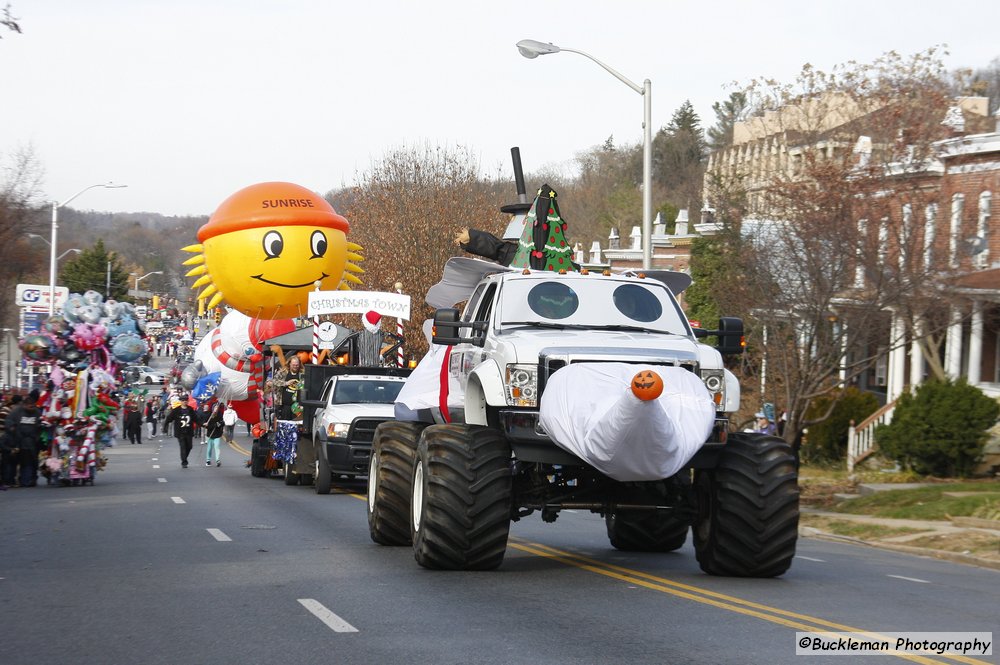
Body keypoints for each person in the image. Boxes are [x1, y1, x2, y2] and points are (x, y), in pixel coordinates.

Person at [6, 389, 42, 487]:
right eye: (30, 406)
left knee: (31, 462)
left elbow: (40, 425)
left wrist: (38, 437)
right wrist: (12, 428)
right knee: (18, 462)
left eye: (33, 406)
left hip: (32, 442)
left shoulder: (37, 412)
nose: (32, 408)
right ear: (25, 405)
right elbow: (9, 422)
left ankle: (29, 479)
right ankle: (17, 480)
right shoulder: (16, 412)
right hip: (19, 441)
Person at [163, 394, 197, 468]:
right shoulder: (176, 410)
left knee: (189, 446)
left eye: (186, 400)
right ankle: (184, 462)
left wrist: (203, 424)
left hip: (189, 431)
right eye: (183, 400)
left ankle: (185, 457)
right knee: (183, 447)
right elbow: (169, 419)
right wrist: (165, 427)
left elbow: (196, 419)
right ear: (180, 401)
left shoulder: (190, 409)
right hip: (180, 432)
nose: (184, 402)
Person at [0, 394, 22, 489]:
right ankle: (7, 480)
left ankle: (9, 480)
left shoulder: (7, 409)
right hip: (4, 436)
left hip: (6, 438)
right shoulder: (7, 411)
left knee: (9, 464)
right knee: (6, 464)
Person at [273, 354, 304, 420]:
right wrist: (285, 383)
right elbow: (274, 382)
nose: (295, 366)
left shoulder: (302, 374)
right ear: (289, 364)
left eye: (297, 365)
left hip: (297, 407)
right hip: (284, 405)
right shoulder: (283, 373)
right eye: (293, 365)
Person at [203, 402, 225, 467]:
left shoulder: (220, 414)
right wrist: (211, 425)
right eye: (215, 407)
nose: (216, 409)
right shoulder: (209, 415)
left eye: (217, 408)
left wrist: (219, 424)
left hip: (217, 434)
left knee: (217, 447)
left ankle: (217, 460)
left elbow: (222, 422)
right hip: (210, 434)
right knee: (209, 448)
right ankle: (208, 460)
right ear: (212, 408)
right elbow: (206, 425)